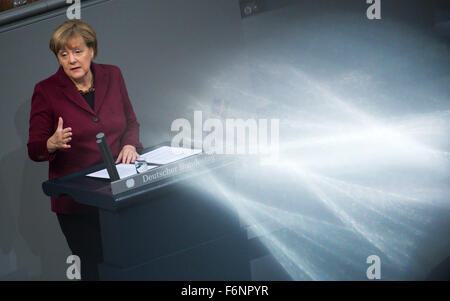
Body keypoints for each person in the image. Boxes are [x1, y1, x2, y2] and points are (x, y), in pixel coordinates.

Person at [27, 20, 143, 280]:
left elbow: (131, 122)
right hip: (79, 205)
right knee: (97, 272)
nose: (71, 60)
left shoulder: (113, 74)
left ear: (92, 50)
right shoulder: (45, 91)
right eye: (63, 54)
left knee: (134, 267)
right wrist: (50, 143)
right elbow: (34, 149)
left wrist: (129, 143)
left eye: (78, 51)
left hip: (120, 193)